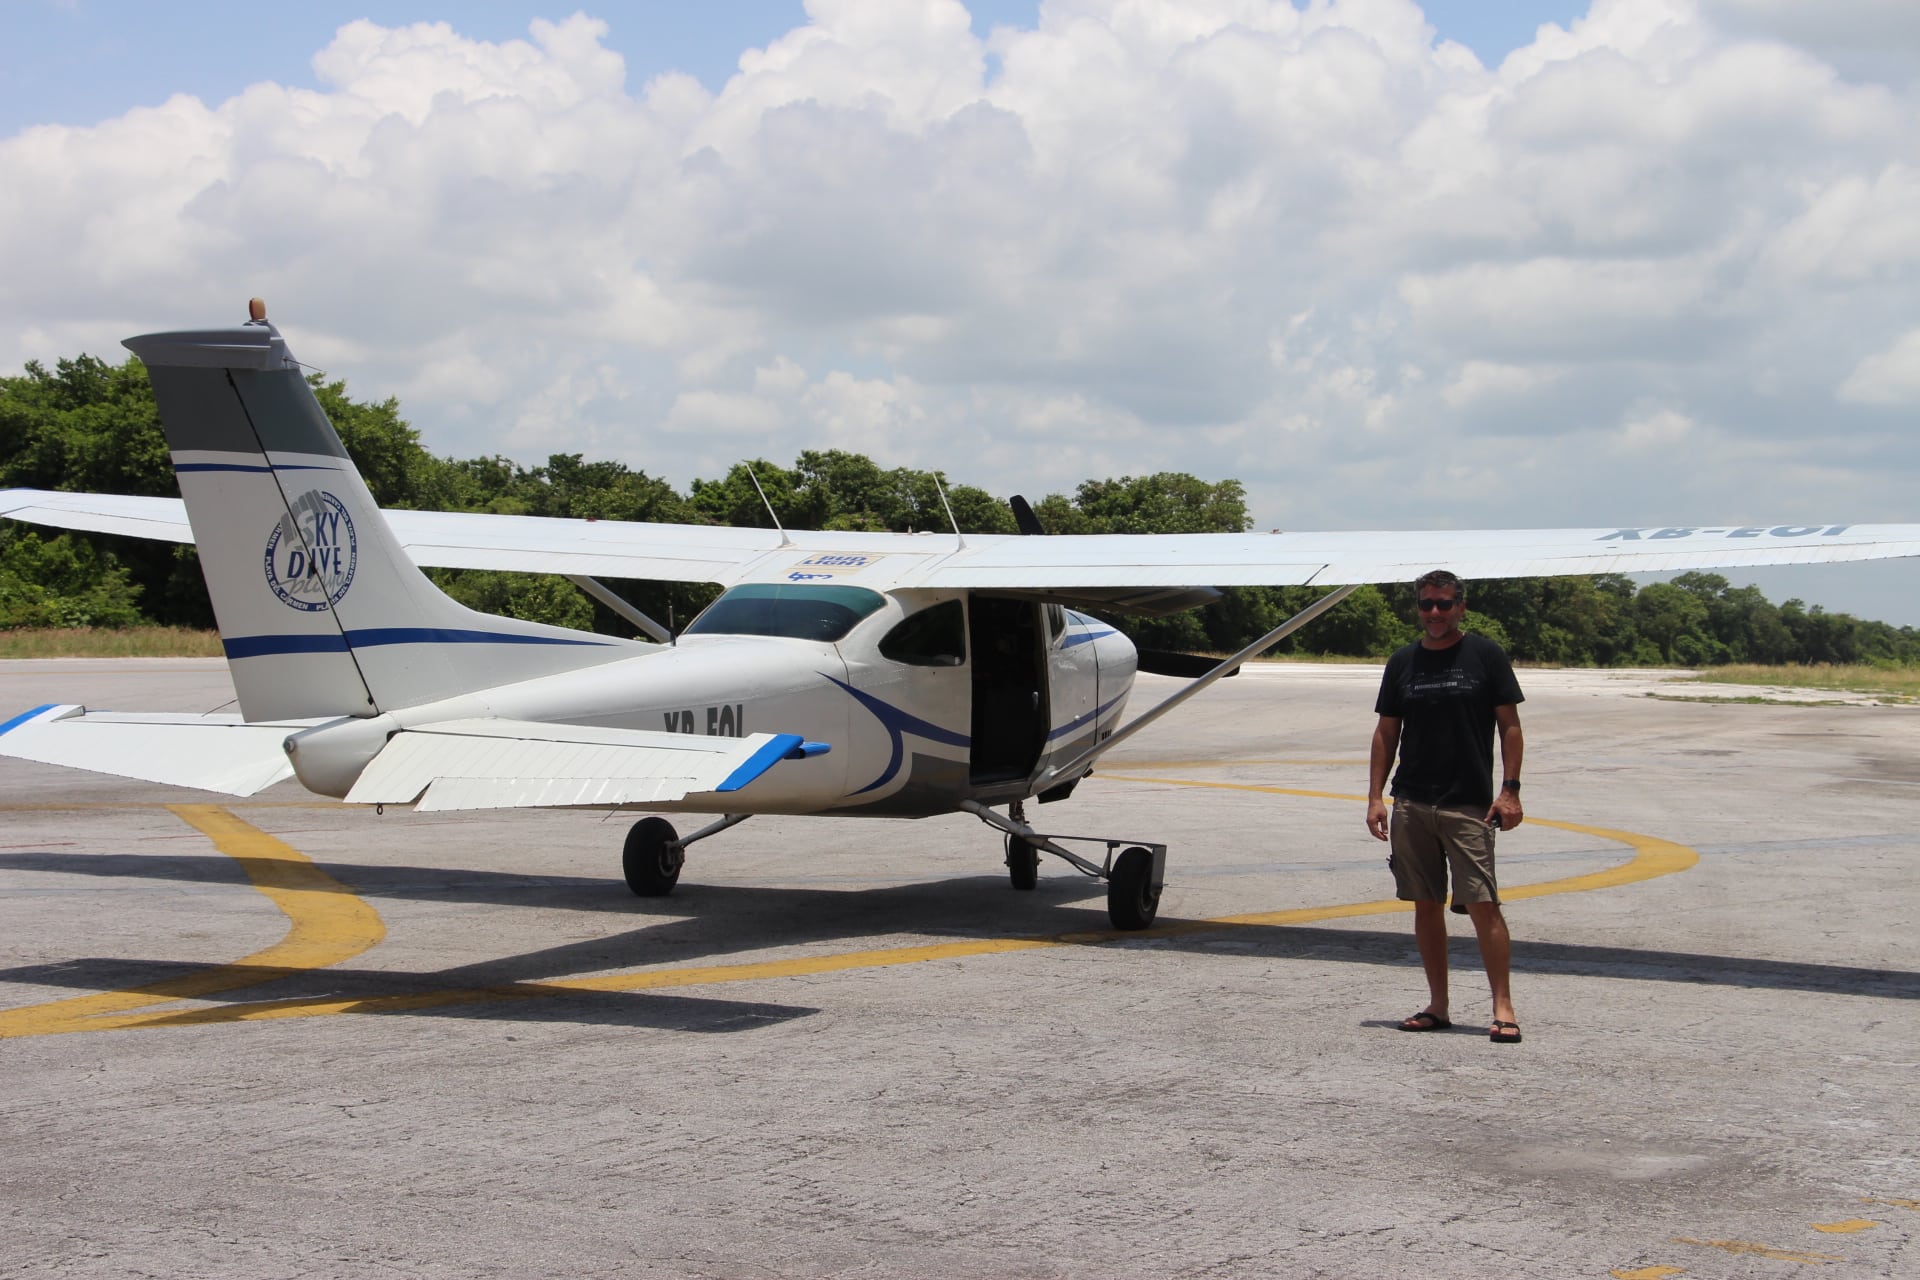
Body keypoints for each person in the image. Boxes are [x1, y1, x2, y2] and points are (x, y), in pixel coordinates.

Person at [1365, 570, 1526, 1044]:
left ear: (1461, 607)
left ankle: (1502, 1005)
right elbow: (1386, 732)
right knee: (1425, 904)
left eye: (1444, 604)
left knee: (1482, 903)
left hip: (1468, 803)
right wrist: (1376, 796)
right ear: (1417, 607)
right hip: (1413, 800)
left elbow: (1510, 727)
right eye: (1426, 604)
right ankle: (1438, 1004)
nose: (1435, 613)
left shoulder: (1485, 655)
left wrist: (1510, 789)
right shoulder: (1402, 662)